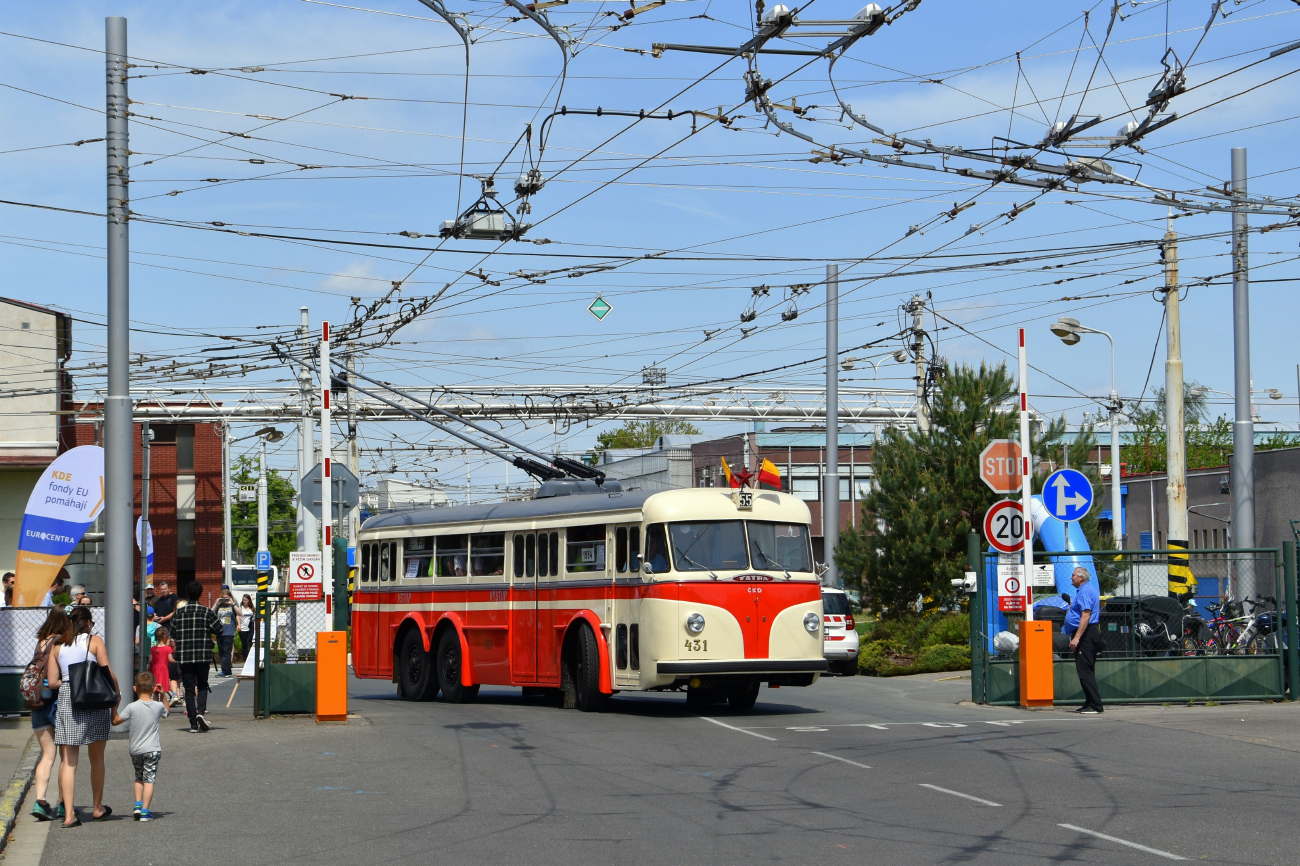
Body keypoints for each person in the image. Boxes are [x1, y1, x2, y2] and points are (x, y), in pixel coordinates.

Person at [48, 606, 119, 826]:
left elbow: (52, 682)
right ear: (88, 623)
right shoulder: (94, 641)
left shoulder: (57, 645)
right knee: (97, 758)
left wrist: (71, 681)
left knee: (69, 761)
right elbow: (108, 673)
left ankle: (69, 815)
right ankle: (97, 808)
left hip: (69, 698)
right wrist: (117, 695)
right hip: (94, 697)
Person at [29, 608, 72, 822]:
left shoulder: (41, 642)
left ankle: (41, 801)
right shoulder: (59, 643)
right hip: (55, 703)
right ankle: (65, 804)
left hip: (36, 703)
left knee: (47, 755)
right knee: (65, 757)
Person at [111, 671, 168, 821]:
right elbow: (166, 712)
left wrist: (114, 706)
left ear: (134, 688)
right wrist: (162, 695)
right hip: (152, 749)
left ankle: (137, 805)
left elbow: (116, 721)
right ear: (153, 688)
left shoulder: (131, 707)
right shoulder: (157, 706)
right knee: (149, 779)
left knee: (138, 777)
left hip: (135, 749)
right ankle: (145, 811)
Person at [170, 580, 222, 732]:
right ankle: (201, 712)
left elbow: (172, 633)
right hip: (203, 655)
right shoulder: (206, 612)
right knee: (203, 684)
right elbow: (219, 629)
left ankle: (193, 722)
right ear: (200, 594)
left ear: (187, 594)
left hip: (184, 656)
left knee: (189, 688)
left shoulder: (179, 613)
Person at [1064, 566, 1104, 714]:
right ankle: (1089, 702)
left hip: (1086, 634)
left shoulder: (1085, 591)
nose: (1071, 577)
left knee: (1084, 670)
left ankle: (1095, 705)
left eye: (1073, 575)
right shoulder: (1084, 591)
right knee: (1086, 669)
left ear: (1081, 577)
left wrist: (1076, 638)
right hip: (1087, 632)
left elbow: (1086, 616)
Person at [150, 628, 178, 706]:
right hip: (164, 670)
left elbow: (150, 661)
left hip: (155, 670)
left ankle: (155, 706)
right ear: (165, 636)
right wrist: (177, 662)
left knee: (156, 691)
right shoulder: (168, 648)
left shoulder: (153, 649)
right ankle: (163, 707)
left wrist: (149, 669)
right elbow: (170, 659)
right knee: (162, 691)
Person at [214, 590, 238, 677]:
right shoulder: (219, 606)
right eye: (223, 598)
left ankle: (225, 671)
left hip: (229, 632)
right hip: (219, 632)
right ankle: (227, 670)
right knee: (221, 652)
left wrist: (232, 603)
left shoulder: (232, 606)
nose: (225, 600)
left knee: (226, 652)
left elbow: (239, 613)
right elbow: (211, 613)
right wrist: (217, 603)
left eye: (226, 598)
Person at [238, 595, 255, 662]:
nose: (244, 601)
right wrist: (239, 625)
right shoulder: (240, 608)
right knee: (244, 644)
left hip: (250, 628)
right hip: (243, 628)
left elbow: (254, 617)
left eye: (246, 600)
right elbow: (238, 616)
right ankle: (245, 659)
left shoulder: (252, 609)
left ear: (249, 601)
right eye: (243, 600)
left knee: (250, 643)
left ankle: (251, 658)